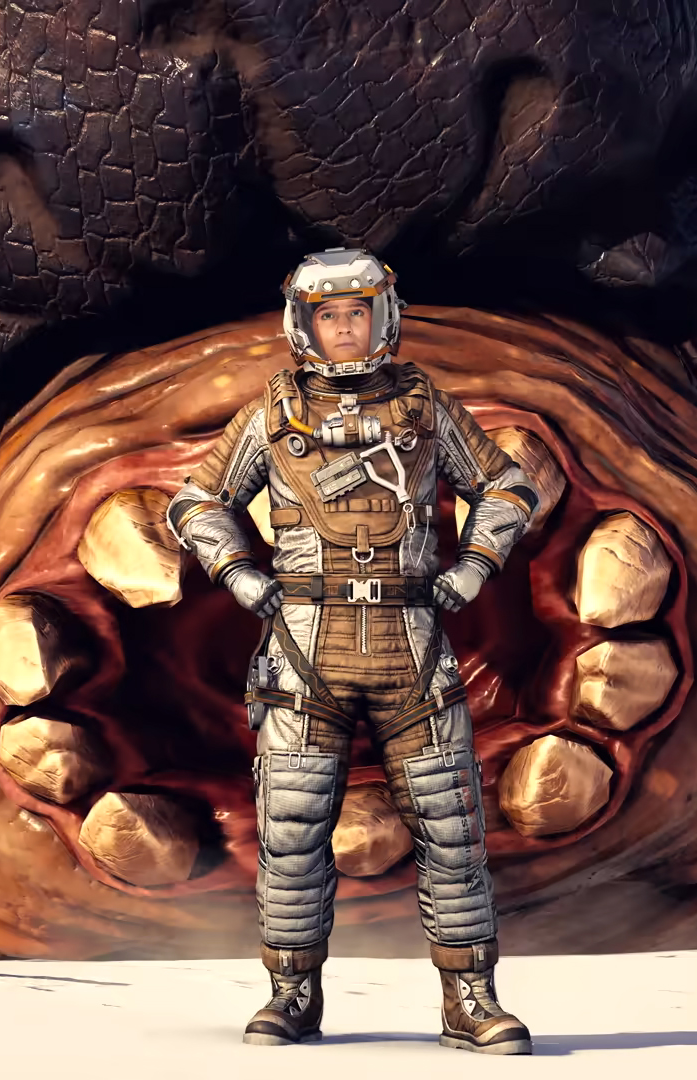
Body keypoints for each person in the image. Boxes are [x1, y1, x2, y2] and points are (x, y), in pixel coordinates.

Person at [165, 248, 540, 1054]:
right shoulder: (270, 416)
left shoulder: (426, 407)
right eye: (329, 315)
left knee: (452, 828)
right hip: (305, 648)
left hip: (412, 645)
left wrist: (475, 565)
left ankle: (470, 998)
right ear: (304, 324)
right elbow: (197, 502)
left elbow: (508, 487)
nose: (344, 329)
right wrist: (239, 575)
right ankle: (292, 995)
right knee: (292, 830)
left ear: (383, 317)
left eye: (357, 313)